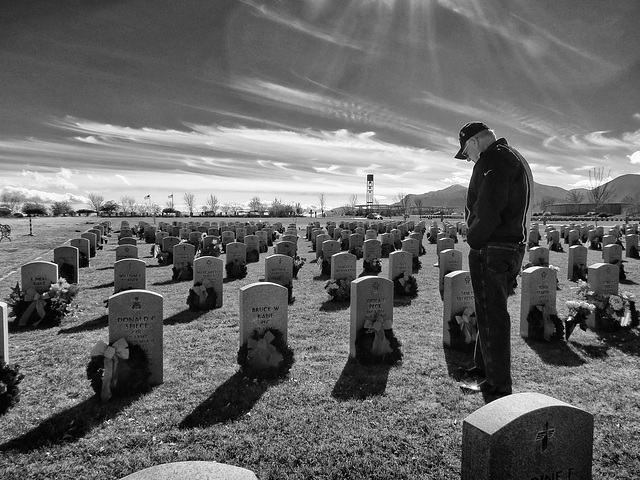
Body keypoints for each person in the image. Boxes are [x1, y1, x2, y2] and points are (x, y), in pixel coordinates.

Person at [455, 121, 533, 403]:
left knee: (492, 315)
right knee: (487, 309)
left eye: (466, 153)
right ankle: (483, 366)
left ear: (474, 142)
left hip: (494, 246)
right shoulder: (508, 156)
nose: (468, 159)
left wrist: (475, 240)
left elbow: (489, 207)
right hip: (505, 245)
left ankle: (496, 384)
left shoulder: (495, 159)